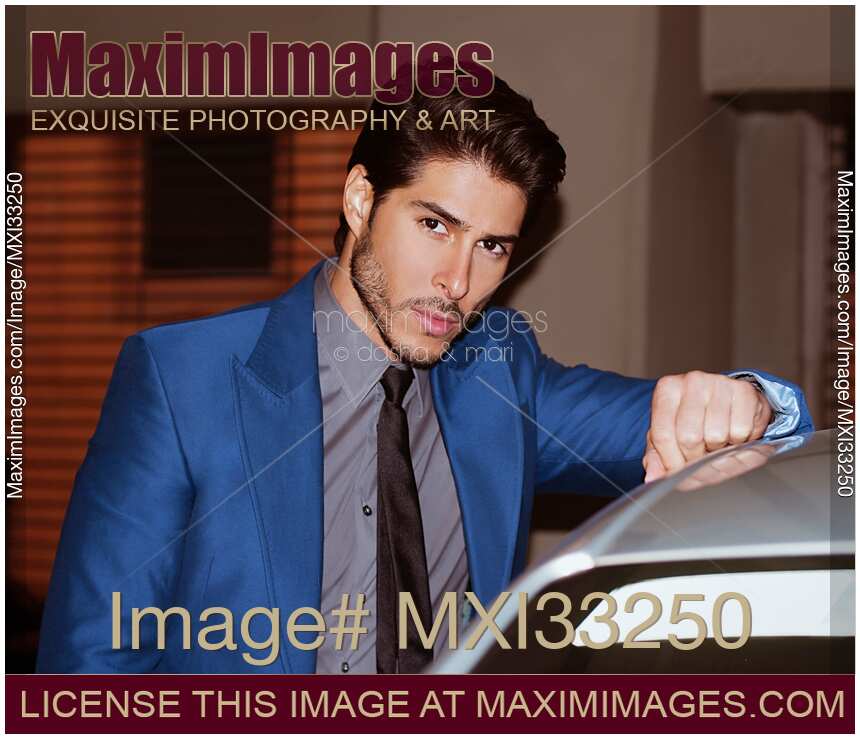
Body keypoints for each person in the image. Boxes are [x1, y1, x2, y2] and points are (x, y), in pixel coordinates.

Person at [36, 76, 812, 674]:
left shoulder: (499, 369)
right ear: (360, 198)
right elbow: (89, 669)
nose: (456, 280)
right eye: (435, 224)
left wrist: (747, 399)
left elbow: (697, 421)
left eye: (493, 246)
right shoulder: (181, 380)